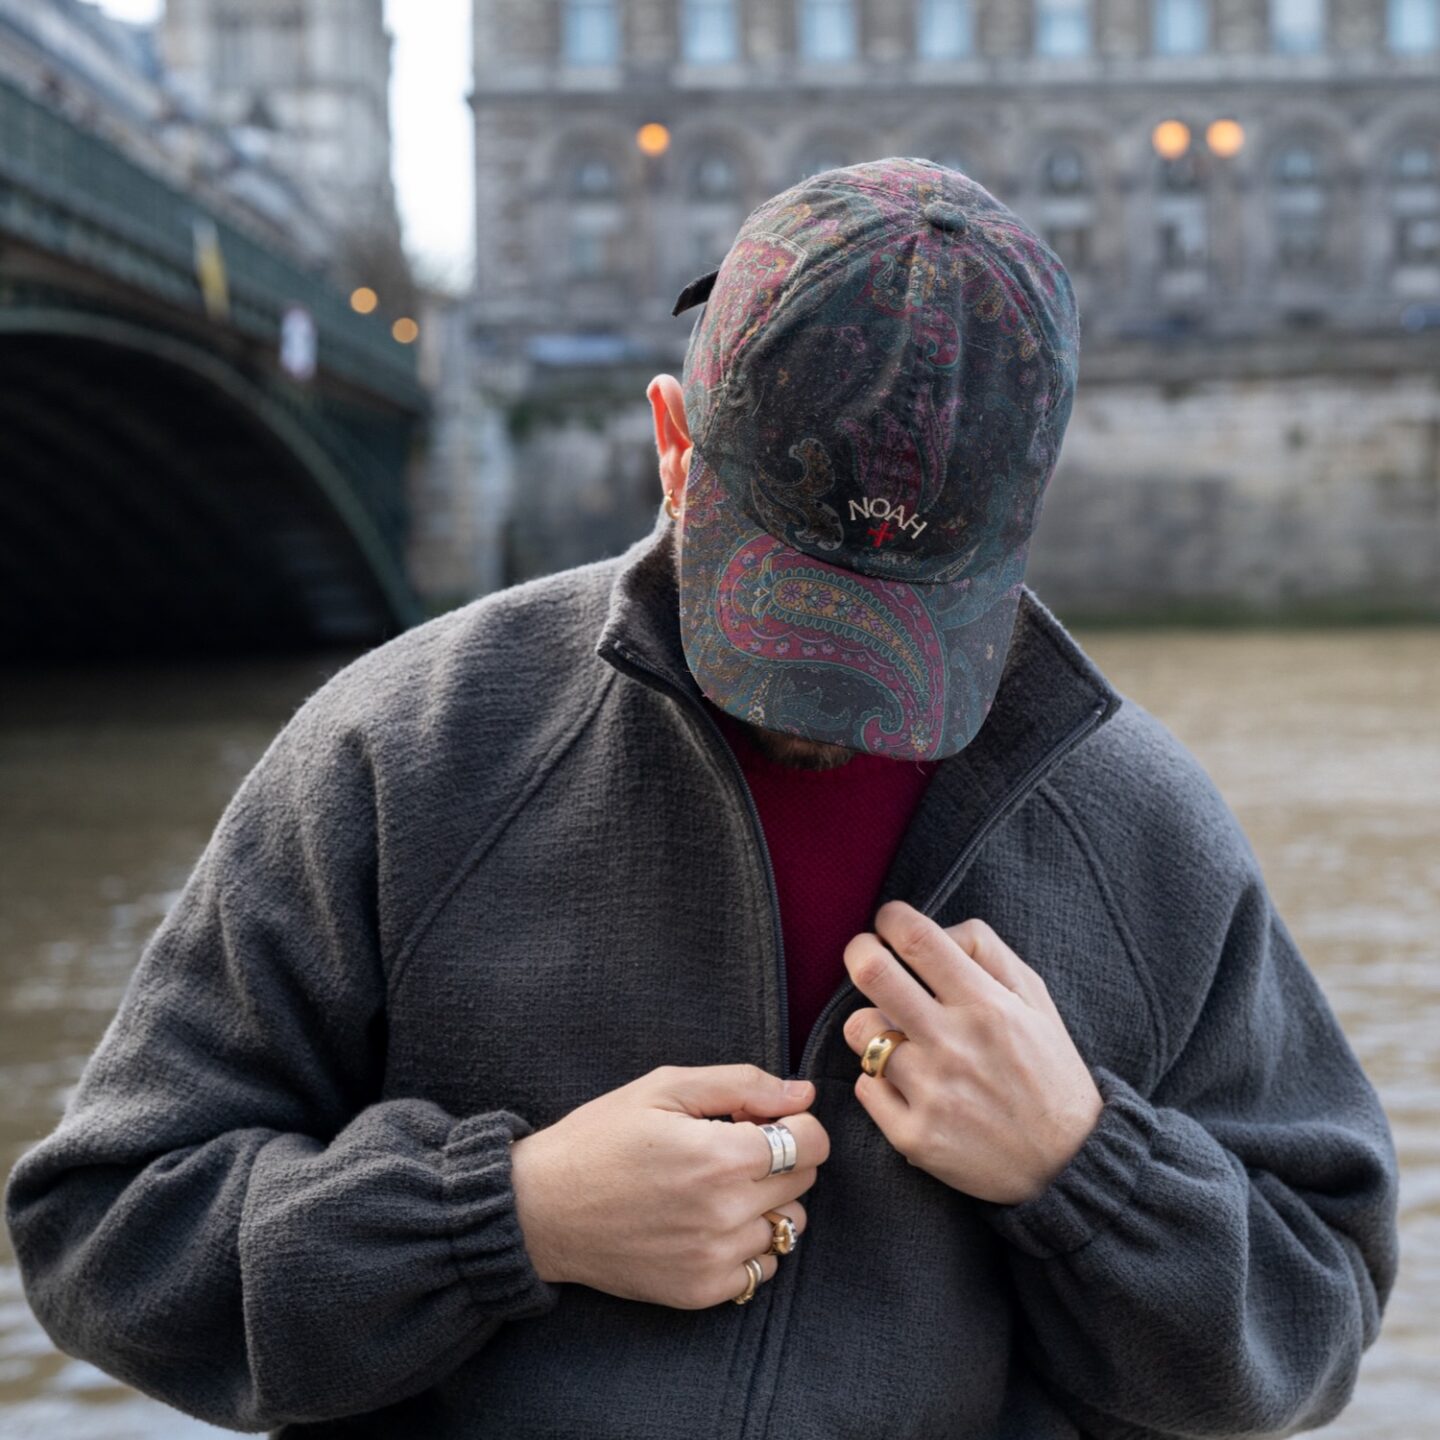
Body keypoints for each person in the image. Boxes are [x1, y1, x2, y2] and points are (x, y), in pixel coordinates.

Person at [4, 158, 1398, 1440]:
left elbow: (1314, 1327)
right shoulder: (405, 747)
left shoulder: (1138, 826)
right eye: (790, 610)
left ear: (1019, 526)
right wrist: (507, 1217)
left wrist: (1085, 1170)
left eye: (899, 625)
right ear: (672, 444)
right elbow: (101, 1235)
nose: (828, 706)